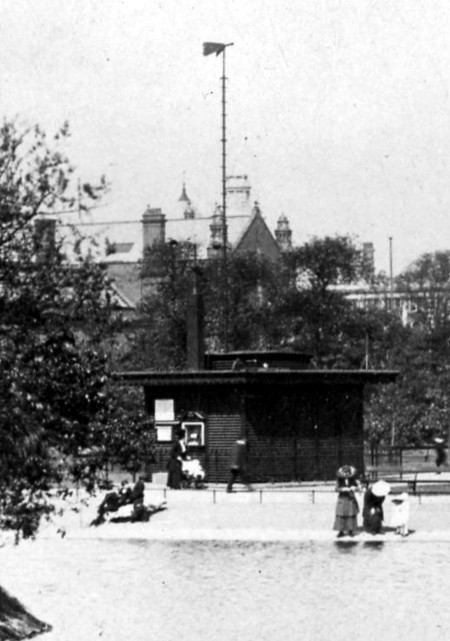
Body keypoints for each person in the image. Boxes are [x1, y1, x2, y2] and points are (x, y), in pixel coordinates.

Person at [333, 465, 360, 537]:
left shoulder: (352, 479)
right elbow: (336, 489)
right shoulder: (339, 479)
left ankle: (351, 530)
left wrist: (355, 488)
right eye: (345, 473)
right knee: (341, 515)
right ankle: (341, 531)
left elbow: (357, 487)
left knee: (351, 514)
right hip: (342, 498)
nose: (346, 474)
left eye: (348, 473)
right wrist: (343, 489)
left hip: (350, 498)